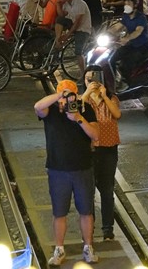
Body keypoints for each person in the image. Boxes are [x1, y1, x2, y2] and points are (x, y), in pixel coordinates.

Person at [34, 80, 100, 266]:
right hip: (57, 170)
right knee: (59, 212)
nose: (67, 97)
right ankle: (59, 248)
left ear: (76, 93)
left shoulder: (85, 108)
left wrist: (78, 117)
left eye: (70, 93)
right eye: (63, 93)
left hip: (83, 168)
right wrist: (59, 97)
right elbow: (38, 106)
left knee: (86, 211)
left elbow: (95, 135)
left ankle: (88, 247)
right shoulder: (51, 110)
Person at [81, 67, 121, 241]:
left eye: (94, 79)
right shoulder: (83, 100)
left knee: (107, 191)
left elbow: (117, 114)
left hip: (108, 150)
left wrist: (104, 96)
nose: (91, 82)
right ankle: (88, 231)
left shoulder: (111, 98)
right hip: (89, 150)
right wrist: (86, 94)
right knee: (87, 192)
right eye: (88, 79)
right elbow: (75, 111)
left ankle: (108, 230)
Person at [109, 0, 148, 87]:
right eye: (125, 4)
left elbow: (138, 31)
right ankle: (114, 81)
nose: (126, 5)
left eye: (129, 4)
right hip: (131, 45)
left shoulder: (141, 17)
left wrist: (127, 38)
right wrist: (107, 33)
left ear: (135, 5)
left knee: (126, 64)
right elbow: (118, 26)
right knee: (111, 58)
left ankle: (130, 85)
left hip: (142, 47)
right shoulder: (126, 16)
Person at [55, 0, 92, 76]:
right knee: (58, 20)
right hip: (73, 26)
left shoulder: (80, 4)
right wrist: (58, 4)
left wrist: (67, 36)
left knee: (78, 52)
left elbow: (77, 23)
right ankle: (58, 41)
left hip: (83, 29)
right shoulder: (66, 5)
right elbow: (61, 16)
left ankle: (83, 75)